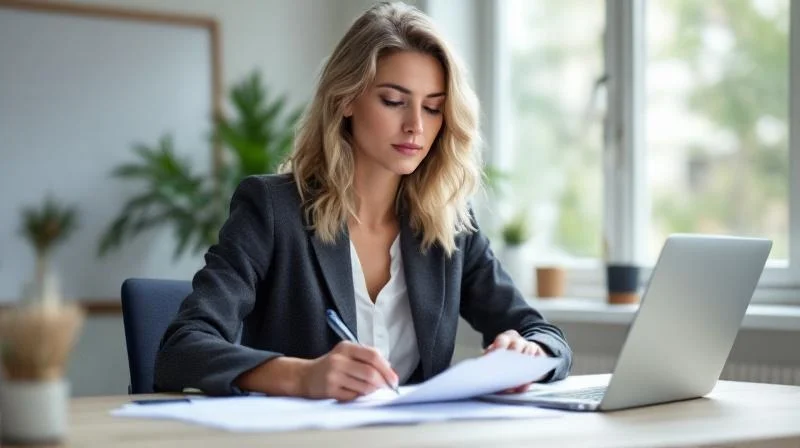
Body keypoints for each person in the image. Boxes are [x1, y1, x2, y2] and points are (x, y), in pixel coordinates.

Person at [154, 1, 572, 400]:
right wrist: (302, 375)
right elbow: (182, 349)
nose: (415, 126)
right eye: (393, 101)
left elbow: (543, 334)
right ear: (346, 98)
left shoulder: (449, 225)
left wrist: (530, 352)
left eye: (433, 108)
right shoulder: (272, 209)